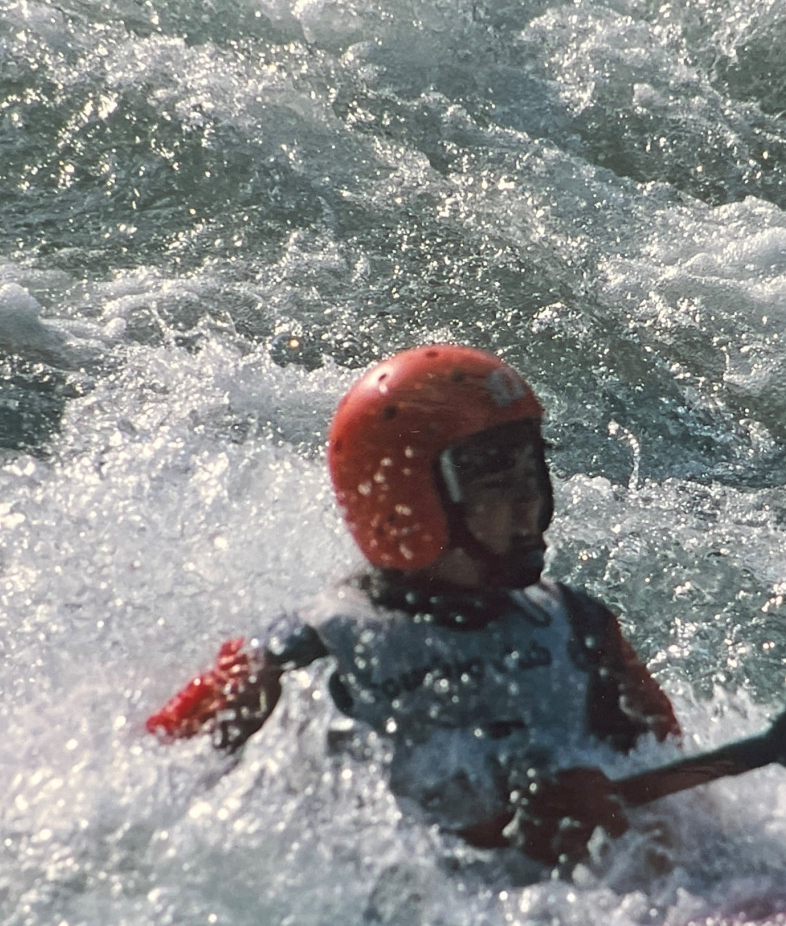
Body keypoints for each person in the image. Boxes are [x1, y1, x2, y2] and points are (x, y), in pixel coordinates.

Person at [146, 344, 680, 867]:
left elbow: (675, 801)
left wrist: (614, 801)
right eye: (497, 482)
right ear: (406, 503)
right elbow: (146, 789)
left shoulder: (580, 630)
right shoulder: (305, 654)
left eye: (530, 472)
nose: (529, 501)